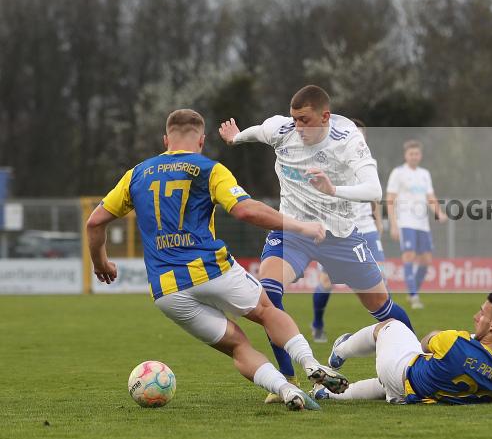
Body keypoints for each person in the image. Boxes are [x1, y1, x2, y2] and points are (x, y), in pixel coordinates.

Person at [85, 109, 349, 411]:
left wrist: (100, 263)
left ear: (165, 139)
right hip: (212, 271)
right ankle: (310, 363)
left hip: (167, 290)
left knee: (238, 346)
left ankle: (286, 390)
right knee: (266, 310)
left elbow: (94, 222)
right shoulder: (209, 169)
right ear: (201, 140)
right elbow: (245, 210)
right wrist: (301, 226)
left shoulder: (136, 174)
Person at [218, 86, 413, 403]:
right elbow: (259, 131)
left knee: (383, 308)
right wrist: (237, 137)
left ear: (325, 117)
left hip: (339, 235)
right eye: (295, 119)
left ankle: (414, 366)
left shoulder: (348, 138)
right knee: (268, 294)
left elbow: (374, 190)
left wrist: (333, 189)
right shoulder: (283, 130)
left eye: (305, 120)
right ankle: (287, 381)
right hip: (292, 231)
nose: (298, 127)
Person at [312, 292, 492, 404]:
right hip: (419, 395)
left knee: (391, 325)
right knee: (383, 385)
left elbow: (426, 341)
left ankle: (340, 350)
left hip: (403, 372)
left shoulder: (456, 343)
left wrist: (471, 340)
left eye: (482, 313)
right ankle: (327, 394)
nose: (475, 316)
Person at [310, 118, 386, 343]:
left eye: (362, 135)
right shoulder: (331, 160)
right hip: (338, 230)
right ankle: (317, 323)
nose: (359, 138)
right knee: (326, 281)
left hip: (367, 228)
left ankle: (384, 333)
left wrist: (378, 221)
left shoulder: (367, 161)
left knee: (380, 280)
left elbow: (374, 193)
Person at [386, 140, 446, 309]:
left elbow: (430, 197)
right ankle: (413, 296)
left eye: (416, 154)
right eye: (411, 154)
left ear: (420, 155)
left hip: (422, 224)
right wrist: (394, 224)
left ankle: (413, 291)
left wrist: (438, 212)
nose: (414, 156)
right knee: (409, 256)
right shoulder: (398, 173)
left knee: (426, 260)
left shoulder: (424, 174)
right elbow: (390, 199)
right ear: (406, 155)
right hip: (406, 222)